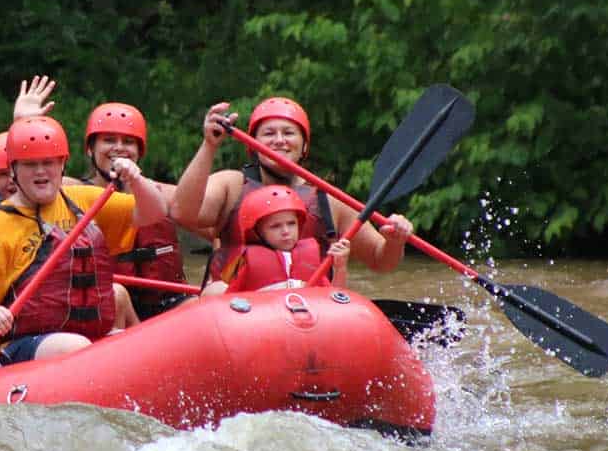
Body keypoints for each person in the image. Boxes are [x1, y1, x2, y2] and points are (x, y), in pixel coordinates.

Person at [0, 116, 168, 366]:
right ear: (13, 170)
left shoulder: (82, 201)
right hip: (14, 344)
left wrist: (136, 180)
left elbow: (155, 212)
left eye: (48, 162)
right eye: (31, 164)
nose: (41, 171)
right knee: (76, 347)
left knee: (130, 343)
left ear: (62, 165)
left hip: (80, 335)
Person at [171, 99, 413, 286]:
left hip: (307, 315)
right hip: (239, 314)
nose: (279, 141)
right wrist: (209, 146)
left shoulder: (329, 200)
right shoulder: (231, 185)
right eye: (268, 134)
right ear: (252, 145)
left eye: (288, 133)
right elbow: (182, 213)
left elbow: (381, 261)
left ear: (304, 145)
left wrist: (395, 242)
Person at [77, 101, 197, 319]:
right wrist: (23, 121)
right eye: (109, 140)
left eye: (128, 142)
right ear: (89, 149)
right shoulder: (72, 191)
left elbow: (217, 223)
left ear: (139, 152)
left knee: (199, 305)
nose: (119, 147)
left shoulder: (160, 192)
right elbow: (31, 189)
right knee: (117, 297)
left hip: (165, 303)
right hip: (109, 305)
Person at [218, 186, 351, 292]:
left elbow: (334, 298)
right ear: (256, 232)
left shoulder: (311, 259)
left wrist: (340, 268)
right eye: (275, 226)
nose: (286, 231)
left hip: (304, 319)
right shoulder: (244, 261)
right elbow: (228, 302)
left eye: (291, 224)